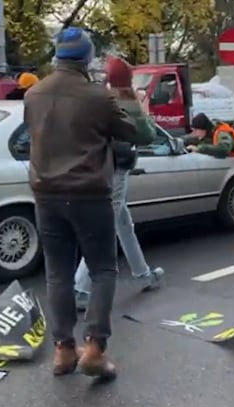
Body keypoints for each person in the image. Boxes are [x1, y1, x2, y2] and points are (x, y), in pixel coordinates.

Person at [24, 27, 154, 380]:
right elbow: (141, 134)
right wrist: (129, 97)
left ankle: (64, 350)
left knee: (58, 272)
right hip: (89, 194)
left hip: (46, 194)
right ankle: (95, 349)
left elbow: (30, 137)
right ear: (86, 58)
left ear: (57, 56)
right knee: (102, 269)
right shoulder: (98, 97)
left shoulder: (33, 93)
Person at [73, 56, 164, 311]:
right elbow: (146, 135)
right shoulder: (123, 99)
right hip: (117, 166)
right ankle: (80, 288)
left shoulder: (95, 96)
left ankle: (143, 274)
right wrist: (140, 106)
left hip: (96, 164)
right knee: (107, 224)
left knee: (123, 221)